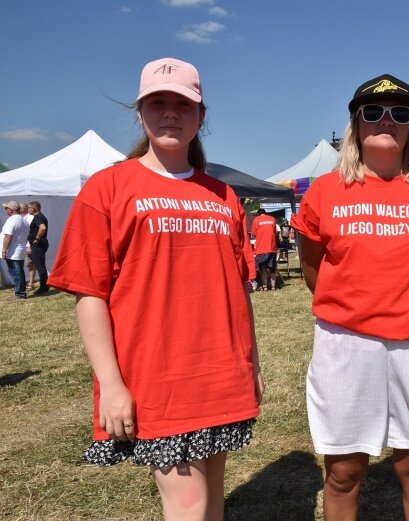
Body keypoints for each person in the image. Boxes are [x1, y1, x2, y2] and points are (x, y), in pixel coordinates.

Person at [47, 57, 263, 521]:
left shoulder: (223, 196)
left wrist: (253, 365)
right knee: (188, 502)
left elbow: (238, 294)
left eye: (183, 105)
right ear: (140, 112)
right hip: (155, 381)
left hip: (222, 376)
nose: (170, 113)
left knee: (213, 498)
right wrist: (110, 384)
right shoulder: (108, 187)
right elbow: (89, 294)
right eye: (158, 103)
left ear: (201, 116)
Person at [291, 73, 409, 521]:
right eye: (373, 112)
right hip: (347, 345)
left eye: (400, 113)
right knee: (344, 473)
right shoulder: (325, 191)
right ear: (355, 124)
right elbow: (313, 268)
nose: (387, 120)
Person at [2, 200, 31, 299]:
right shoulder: (24, 220)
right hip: (19, 249)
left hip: (13, 251)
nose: (6, 210)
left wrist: (4, 249)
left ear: (10, 210)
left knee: (16, 272)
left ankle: (20, 293)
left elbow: (8, 236)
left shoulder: (12, 220)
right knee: (18, 271)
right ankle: (19, 291)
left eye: (6, 208)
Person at [251, 208, 279, 290]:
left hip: (261, 248)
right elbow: (274, 232)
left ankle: (265, 286)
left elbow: (254, 234)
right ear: (265, 213)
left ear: (258, 214)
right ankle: (273, 287)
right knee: (273, 268)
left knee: (263, 268)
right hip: (272, 247)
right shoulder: (272, 219)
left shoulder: (256, 220)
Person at [26, 201, 49, 294]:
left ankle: (44, 287)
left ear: (33, 208)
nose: (28, 209)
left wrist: (37, 238)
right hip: (39, 244)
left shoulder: (37, 217)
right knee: (40, 265)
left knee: (40, 266)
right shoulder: (40, 216)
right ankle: (44, 286)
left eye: (29, 208)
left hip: (38, 244)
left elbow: (42, 227)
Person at [19, 202, 36, 292]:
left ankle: (31, 283)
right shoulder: (21, 218)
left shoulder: (30, 218)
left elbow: (32, 233)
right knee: (22, 264)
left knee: (30, 264)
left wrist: (29, 246)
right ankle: (23, 283)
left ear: (23, 209)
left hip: (28, 245)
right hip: (21, 245)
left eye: (19, 208)